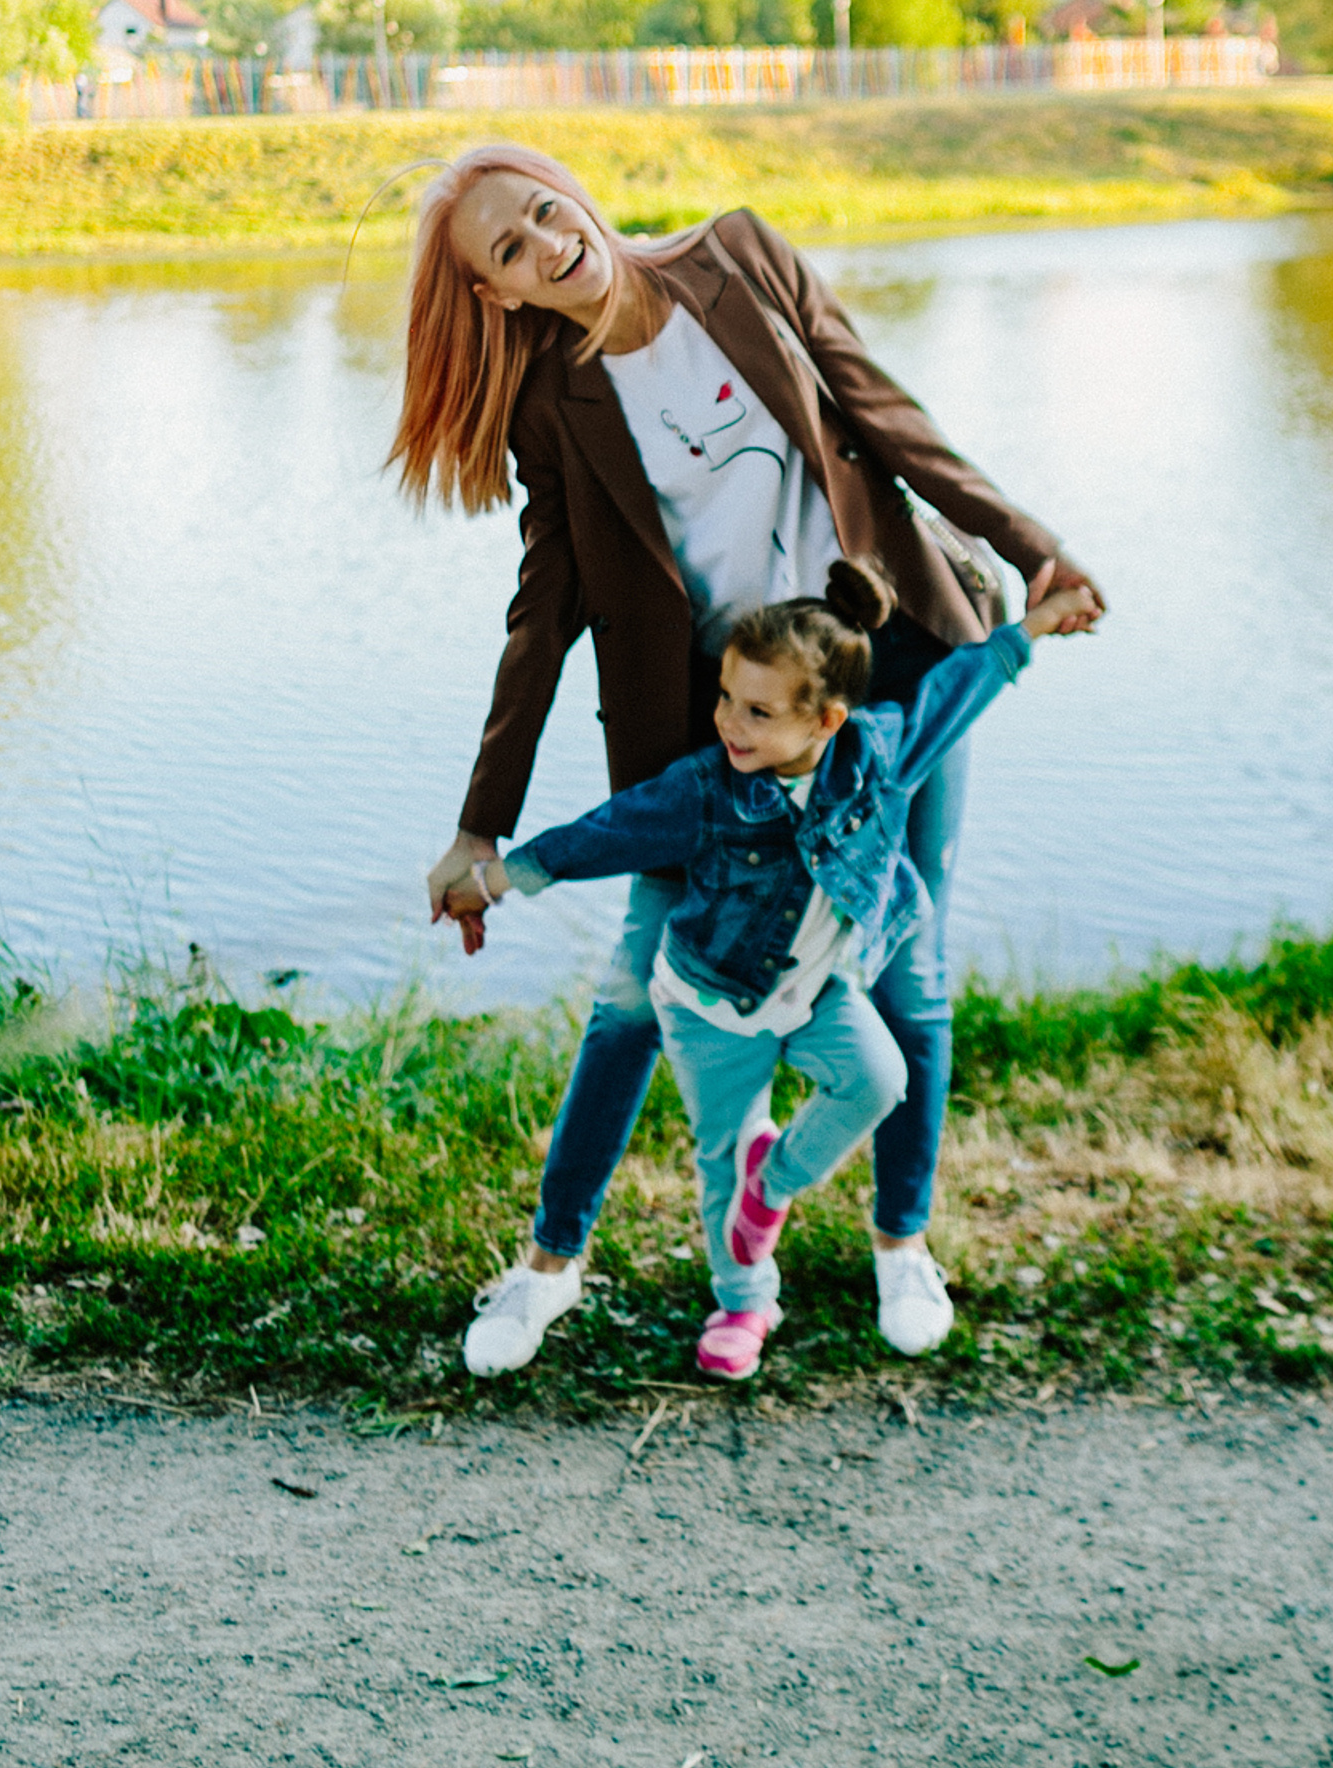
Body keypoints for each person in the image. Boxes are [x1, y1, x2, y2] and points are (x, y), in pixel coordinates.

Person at [390, 143, 1104, 1374]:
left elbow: (889, 421)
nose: (548, 242)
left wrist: (1030, 545)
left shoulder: (740, 258)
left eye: (545, 211)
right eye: (508, 250)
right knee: (629, 999)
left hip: (890, 681)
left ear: (575, 192)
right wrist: (481, 824)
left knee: (910, 972)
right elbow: (543, 610)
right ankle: (548, 1268)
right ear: (498, 295)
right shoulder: (550, 410)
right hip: (711, 739)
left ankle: (900, 1244)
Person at [440, 556, 1095, 1377]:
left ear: (826, 720)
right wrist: (490, 882)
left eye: (756, 711)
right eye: (725, 699)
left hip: (817, 994)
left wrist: (1034, 625)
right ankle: (744, 1304)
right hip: (708, 1006)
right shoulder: (707, 790)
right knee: (722, 1157)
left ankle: (774, 1180)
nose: (729, 725)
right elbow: (602, 834)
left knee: (878, 1078)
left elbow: (959, 686)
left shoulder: (878, 755)